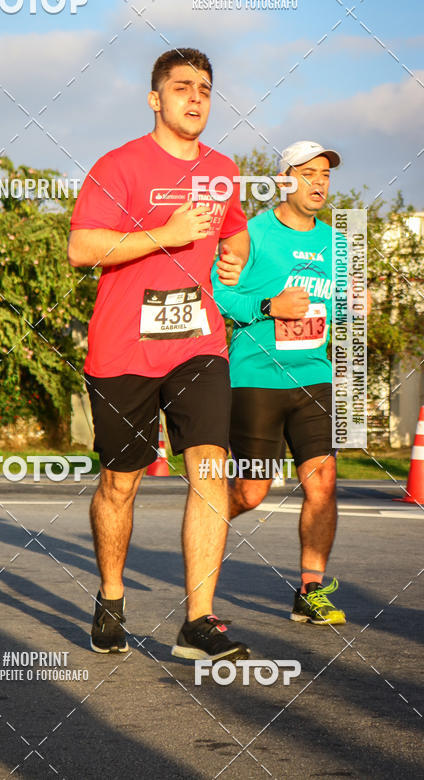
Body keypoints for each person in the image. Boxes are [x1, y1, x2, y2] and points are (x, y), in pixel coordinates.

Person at [68, 48, 251, 660]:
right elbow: (82, 248)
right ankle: (113, 595)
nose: (195, 98)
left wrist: (236, 253)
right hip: (123, 349)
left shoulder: (222, 169)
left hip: (198, 343)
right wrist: (165, 234)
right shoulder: (118, 166)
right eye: (181, 88)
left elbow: (235, 227)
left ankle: (198, 621)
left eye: (204, 88)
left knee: (209, 470)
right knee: (120, 484)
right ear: (156, 99)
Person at [212, 140, 346, 625]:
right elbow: (216, 297)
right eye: (308, 174)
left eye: (325, 176)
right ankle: (204, 528)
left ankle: (311, 590)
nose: (318, 183)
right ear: (284, 179)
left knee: (323, 483)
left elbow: (344, 307)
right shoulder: (251, 234)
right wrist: (269, 306)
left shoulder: (338, 244)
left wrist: (357, 307)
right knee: (251, 492)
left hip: (315, 377)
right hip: (255, 380)